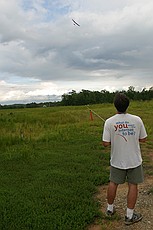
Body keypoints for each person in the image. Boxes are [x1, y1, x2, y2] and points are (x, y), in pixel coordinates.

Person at [102, 92, 147, 225]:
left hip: (117, 160)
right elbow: (143, 139)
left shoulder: (109, 122)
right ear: (127, 105)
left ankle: (110, 210)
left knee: (113, 183)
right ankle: (129, 216)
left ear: (115, 105)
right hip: (134, 160)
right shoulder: (137, 120)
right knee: (133, 185)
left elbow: (105, 143)